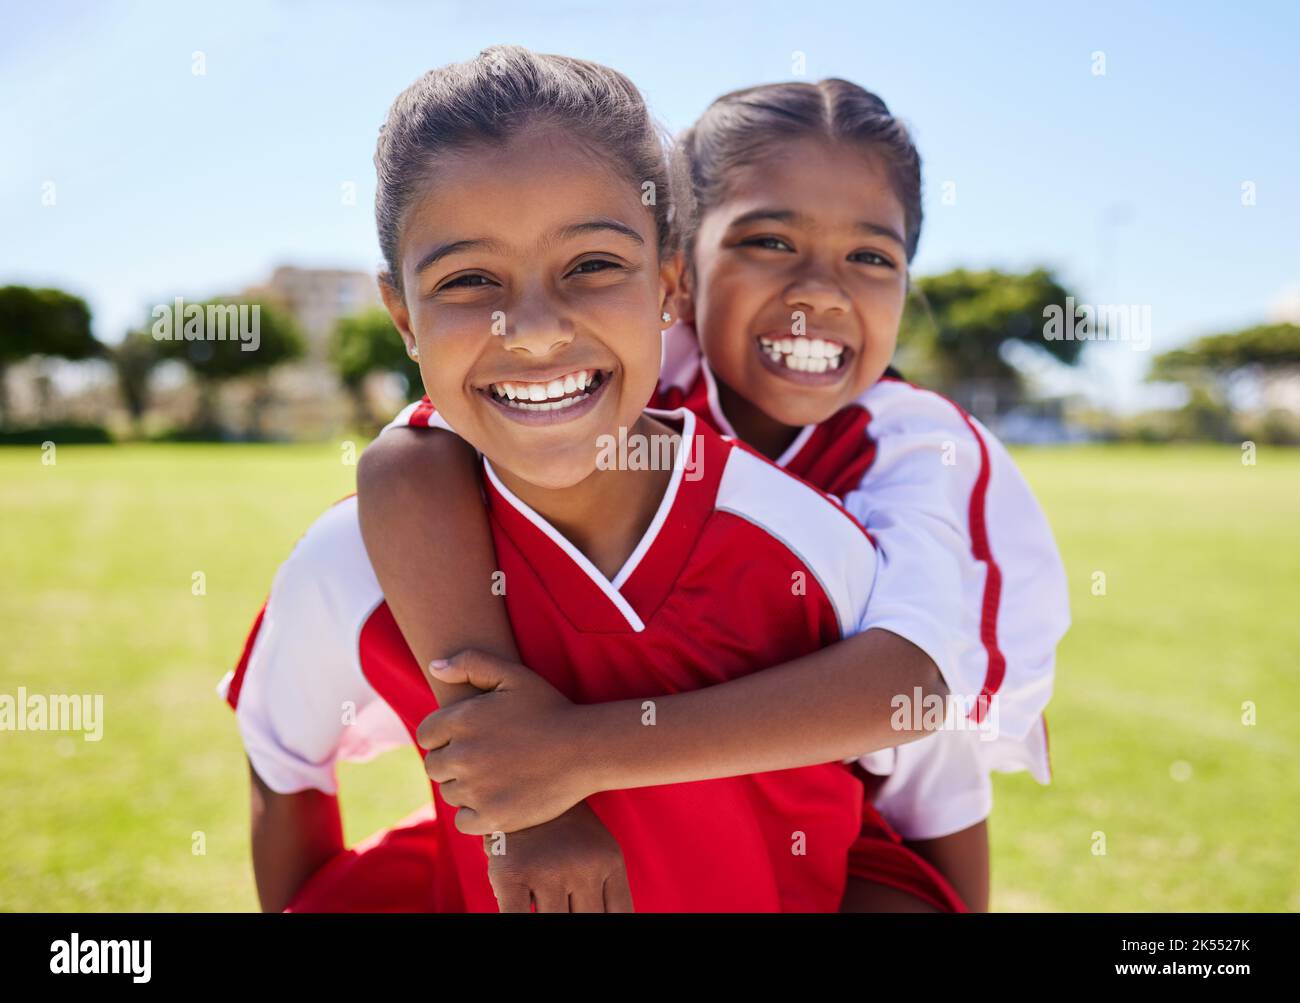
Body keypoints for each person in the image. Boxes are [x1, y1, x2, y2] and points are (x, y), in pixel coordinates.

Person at [221, 46, 965, 913]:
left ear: (669, 284)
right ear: (402, 317)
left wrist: (564, 758)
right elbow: (282, 759)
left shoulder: (811, 543)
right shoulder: (354, 562)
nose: (534, 330)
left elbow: (936, 794)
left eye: (593, 265)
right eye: (468, 280)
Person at [358, 73, 1071, 911]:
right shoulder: (635, 368)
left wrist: (571, 755)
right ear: (680, 279)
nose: (819, 289)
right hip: (671, 817)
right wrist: (519, 770)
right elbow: (408, 459)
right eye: (769, 241)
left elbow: (912, 689)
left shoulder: (916, 447)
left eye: (872, 256)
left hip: (871, 820)